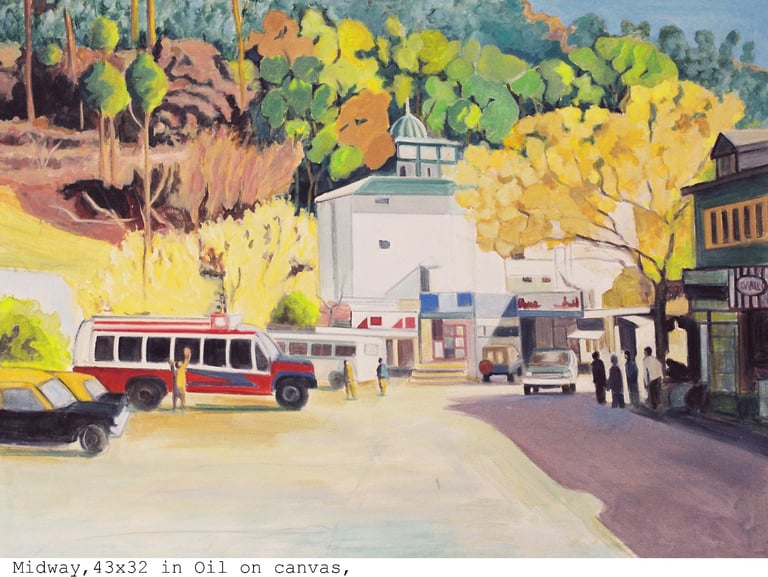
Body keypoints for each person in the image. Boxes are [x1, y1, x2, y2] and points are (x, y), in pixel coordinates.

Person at [169, 346, 191, 413]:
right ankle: (176, 409)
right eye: (180, 362)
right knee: (177, 398)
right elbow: (187, 360)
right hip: (178, 386)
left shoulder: (181, 369)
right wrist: (171, 365)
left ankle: (179, 409)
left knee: (179, 398)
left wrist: (188, 354)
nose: (181, 362)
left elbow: (187, 360)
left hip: (179, 386)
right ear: (178, 365)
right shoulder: (180, 369)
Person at [643, 346, 665, 410]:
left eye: (644, 352)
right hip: (658, 378)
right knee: (657, 392)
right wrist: (661, 377)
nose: (644, 353)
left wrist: (646, 382)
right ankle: (658, 406)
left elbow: (645, 372)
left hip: (652, 379)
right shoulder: (654, 359)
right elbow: (660, 365)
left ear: (646, 353)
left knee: (652, 394)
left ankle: (654, 408)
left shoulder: (645, 360)